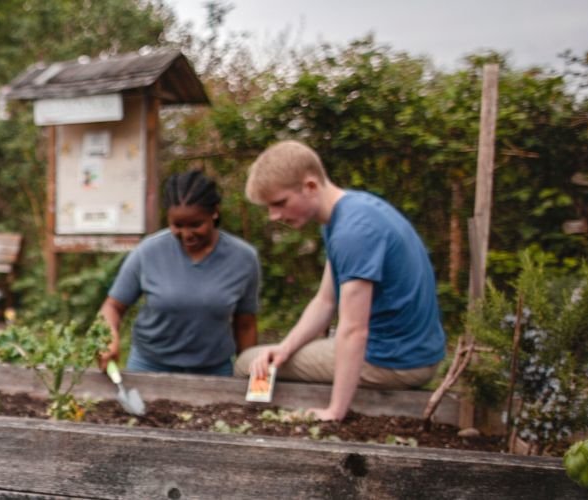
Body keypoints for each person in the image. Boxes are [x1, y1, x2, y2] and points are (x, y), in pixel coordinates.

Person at [235, 140, 446, 421]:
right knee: (269, 357)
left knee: (247, 363)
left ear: (310, 186)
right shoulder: (349, 214)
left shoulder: (353, 232)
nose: (274, 216)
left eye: (279, 203)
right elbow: (325, 301)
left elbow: (353, 330)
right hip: (410, 352)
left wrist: (335, 411)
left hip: (396, 360)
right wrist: (284, 348)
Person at [98, 171, 260, 376]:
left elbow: (245, 325)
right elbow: (112, 306)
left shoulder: (243, 259)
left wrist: (252, 377)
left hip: (214, 370)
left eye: (195, 224)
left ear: (215, 213)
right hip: (149, 366)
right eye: (177, 225)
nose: (186, 234)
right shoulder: (148, 252)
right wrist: (108, 337)